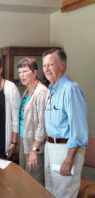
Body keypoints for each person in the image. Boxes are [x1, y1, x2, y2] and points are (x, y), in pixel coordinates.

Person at [42, 48, 88, 198]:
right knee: (50, 192)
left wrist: (69, 159)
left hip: (65, 149)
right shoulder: (50, 89)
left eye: (51, 65)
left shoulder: (71, 89)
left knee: (64, 195)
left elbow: (79, 129)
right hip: (50, 147)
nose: (47, 69)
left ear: (62, 65)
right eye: (44, 66)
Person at [17, 57, 47, 185]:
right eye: (20, 72)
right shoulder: (26, 92)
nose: (21, 75)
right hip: (25, 142)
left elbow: (43, 125)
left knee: (34, 184)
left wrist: (34, 150)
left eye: (25, 71)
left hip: (36, 146)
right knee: (24, 181)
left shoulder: (41, 92)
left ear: (35, 73)